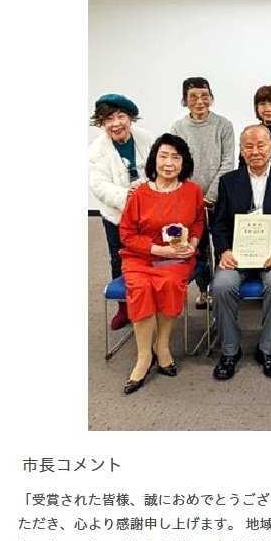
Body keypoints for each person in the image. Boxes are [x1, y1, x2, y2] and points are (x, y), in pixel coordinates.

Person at [209, 125, 271, 381]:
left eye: (261, 145)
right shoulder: (229, 181)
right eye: (249, 147)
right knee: (221, 286)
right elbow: (219, 224)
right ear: (241, 151)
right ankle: (230, 350)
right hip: (238, 255)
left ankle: (267, 349)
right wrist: (224, 251)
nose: (255, 151)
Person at [118, 134, 204, 394]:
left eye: (175, 157)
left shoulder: (192, 191)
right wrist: (157, 250)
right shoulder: (139, 194)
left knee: (169, 284)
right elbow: (127, 234)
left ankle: (162, 346)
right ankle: (144, 356)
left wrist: (194, 243)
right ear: (154, 160)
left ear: (183, 162)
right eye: (163, 156)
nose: (169, 163)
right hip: (141, 257)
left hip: (177, 258)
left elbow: (198, 222)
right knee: (141, 288)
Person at [88, 93, 153, 330]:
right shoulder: (96, 151)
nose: (116, 124)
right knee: (119, 258)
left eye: (121, 117)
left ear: (130, 118)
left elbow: (158, 168)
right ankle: (124, 307)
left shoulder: (146, 139)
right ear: (101, 122)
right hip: (116, 215)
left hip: (149, 212)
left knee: (149, 255)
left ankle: (150, 300)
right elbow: (99, 186)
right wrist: (129, 197)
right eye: (109, 119)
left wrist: (145, 192)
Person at [169, 76, 235, 310]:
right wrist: (193, 196)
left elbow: (228, 162)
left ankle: (223, 287)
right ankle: (204, 289)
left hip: (220, 195)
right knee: (197, 244)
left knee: (222, 240)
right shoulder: (178, 128)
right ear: (185, 100)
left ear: (211, 97)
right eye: (193, 97)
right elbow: (176, 162)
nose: (199, 101)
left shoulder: (223, 125)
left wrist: (212, 195)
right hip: (190, 197)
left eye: (204, 96)